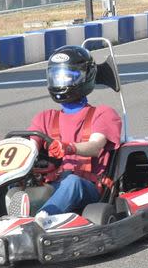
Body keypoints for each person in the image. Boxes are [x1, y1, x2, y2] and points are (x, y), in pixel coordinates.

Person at [27, 45, 122, 226]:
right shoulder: (45, 118)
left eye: (68, 76)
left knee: (72, 182)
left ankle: (42, 218)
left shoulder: (103, 114)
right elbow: (31, 147)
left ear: (86, 77)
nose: (62, 82)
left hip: (89, 187)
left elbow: (95, 147)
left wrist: (69, 147)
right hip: (53, 184)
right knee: (17, 181)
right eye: (57, 76)